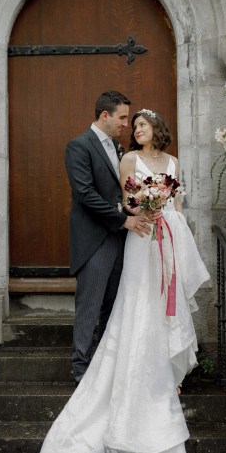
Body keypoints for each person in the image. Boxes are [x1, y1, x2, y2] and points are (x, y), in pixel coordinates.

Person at [29, 108, 209, 453]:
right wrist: (145, 205)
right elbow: (125, 202)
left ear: (156, 128)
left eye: (142, 124)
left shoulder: (173, 161)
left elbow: (178, 205)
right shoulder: (129, 159)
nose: (136, 129)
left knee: (166, 306)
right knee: (139, 304)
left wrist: (172, 220)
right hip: (141, 237)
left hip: (169, 236)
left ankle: (168, 376)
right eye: (133, 124)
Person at [64, 91, 154, 384]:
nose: (127, 124)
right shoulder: (78, 146)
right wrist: (123, 219)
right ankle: (80, 368)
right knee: (89, 306)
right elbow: (85, 194)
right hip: (95, 241)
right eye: (123, 118)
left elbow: (123, 192)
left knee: (112, 306)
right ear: (105, 116)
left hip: (121, 240)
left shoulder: (118, 149)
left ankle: (102, 365)